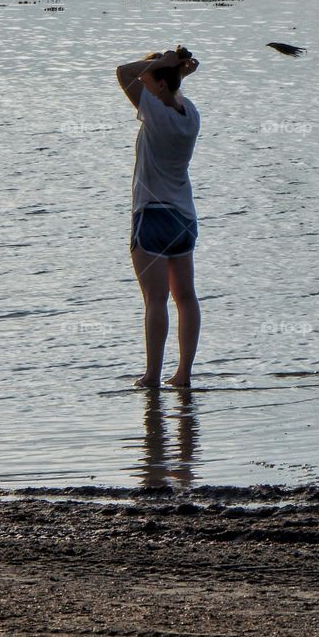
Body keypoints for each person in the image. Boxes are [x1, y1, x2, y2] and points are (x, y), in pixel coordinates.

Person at [116, 46, 201, 388]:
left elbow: (123, 71)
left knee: (155, 299)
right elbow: (170, 91)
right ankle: (184, 375)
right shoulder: (190, 114)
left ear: (160, 86)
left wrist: (162, 64)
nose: (144, 87)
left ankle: (151, 375)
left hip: (151, 215)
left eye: (149, 82)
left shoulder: (154, 112)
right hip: (183, 218)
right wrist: (174, 72)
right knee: (186, 297)